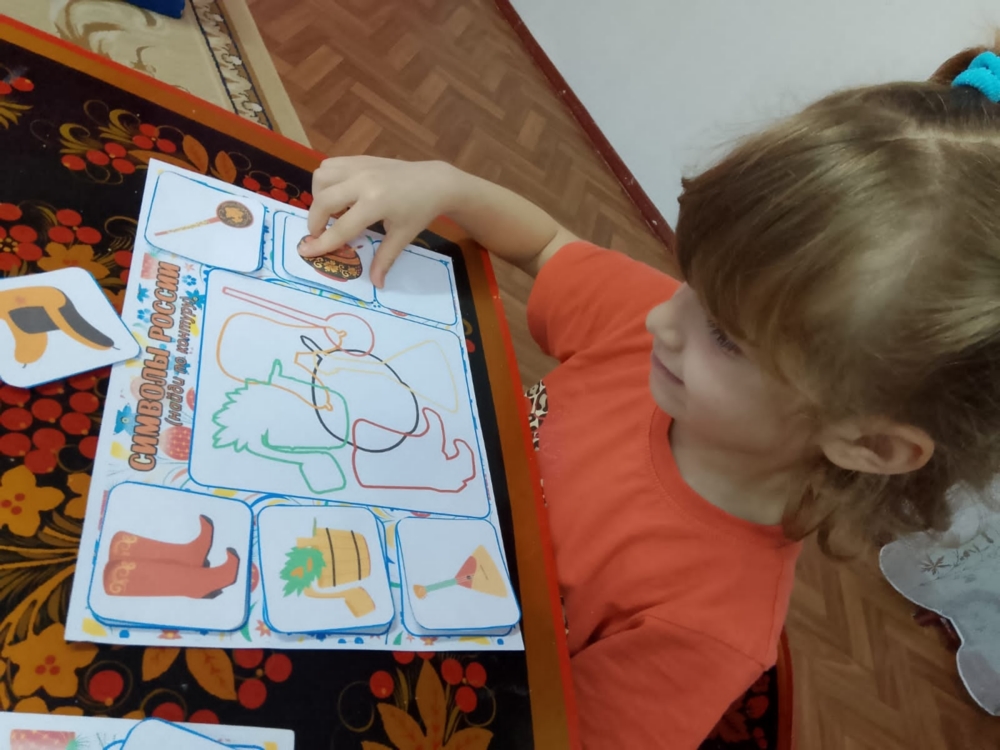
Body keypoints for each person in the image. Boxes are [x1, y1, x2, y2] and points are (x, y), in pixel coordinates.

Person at [299, 45, 1000, 749]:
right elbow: (546, 246)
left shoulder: (707, 630)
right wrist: (447, 185)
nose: (662, 317)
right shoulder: (662, 333)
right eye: (691, 282)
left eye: (724, 337)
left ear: (870, 443)